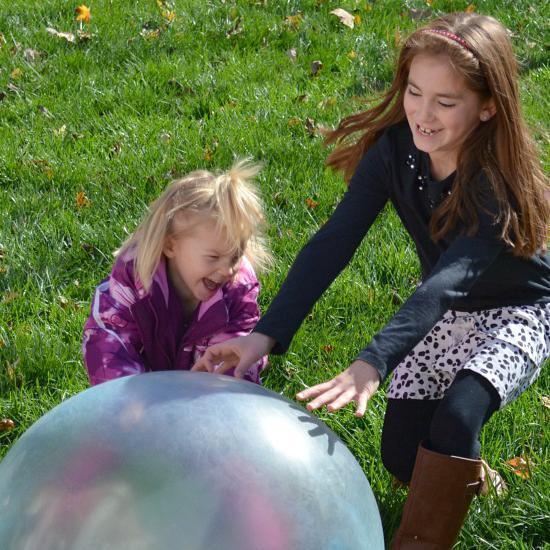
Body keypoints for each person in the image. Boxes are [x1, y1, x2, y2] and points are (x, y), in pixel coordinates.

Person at [192, 12, 550, 549]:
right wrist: (265, 334)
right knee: (401, 452)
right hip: (448, 308)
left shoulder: (491, 186)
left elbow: (448, 281)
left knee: (458, 415)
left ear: (488, 106)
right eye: (414, 92)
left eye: (445, 102)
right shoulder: (395, 152)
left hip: (520, 310)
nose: (422, 115)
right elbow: (334, 243)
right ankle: (474, 478)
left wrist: (373, 361)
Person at [83, 160, 271, 386]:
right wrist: (134, 402)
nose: (227, 270)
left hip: (201, 404)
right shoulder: (134, 279)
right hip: (142, 394)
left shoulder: (237, 292)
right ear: (170, 246)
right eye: (213, 257)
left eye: (235, 256)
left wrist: (206, 408)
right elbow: (108, 343)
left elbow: (234, 364)